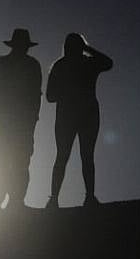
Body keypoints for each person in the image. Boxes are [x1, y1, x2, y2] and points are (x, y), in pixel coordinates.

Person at [46, 33, 113, 208]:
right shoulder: (72, 65)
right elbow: (50, 96)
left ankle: (80, 197)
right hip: (76, 115)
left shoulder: (70, 65)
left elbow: (109, 63)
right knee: (70, 156)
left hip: (82, 115)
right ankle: (57, 198)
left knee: (80, 156)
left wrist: (87, 49)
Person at [0, 28, 42, 210]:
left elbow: (35, 95)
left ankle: (14, 201)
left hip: (20, 122)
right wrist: (1, 112)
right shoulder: (6, 64)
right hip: (9, 121)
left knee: (19, 161)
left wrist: (33, 118)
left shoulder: (27, 65)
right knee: (6, 160)